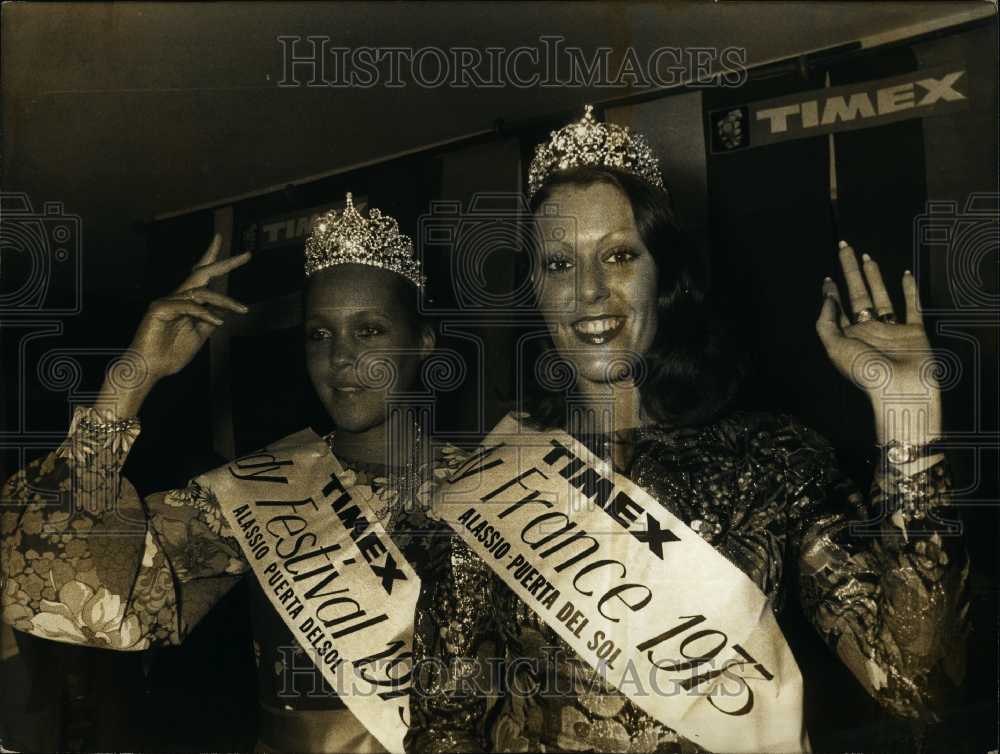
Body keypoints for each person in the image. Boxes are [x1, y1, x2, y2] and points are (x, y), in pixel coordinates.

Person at [405, 107, 970, 753]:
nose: (590, 290)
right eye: (560, 264)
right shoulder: (487, 486)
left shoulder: (769, 462)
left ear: (663, 273)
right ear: (534, 287)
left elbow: (916, 683)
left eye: (618, 255)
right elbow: (443, 727)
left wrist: (908, 413)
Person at [1, 194, 467, 754]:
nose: (341, 358)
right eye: (319, 334)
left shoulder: (493, 486)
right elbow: (57, 591)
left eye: (368, 330)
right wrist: (134, 379)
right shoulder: (261, 490)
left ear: (423, 341)